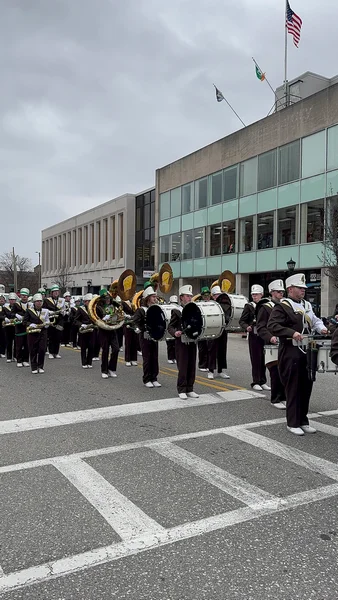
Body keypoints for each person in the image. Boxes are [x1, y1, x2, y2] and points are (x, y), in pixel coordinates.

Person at [268, 273, 328, 436]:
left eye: (304, 288)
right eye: (300, 288)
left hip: (307, 351)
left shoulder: (306, 305)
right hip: (290, 352)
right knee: (293, 387)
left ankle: (303, 420)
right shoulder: (283, 306)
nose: (303, 290)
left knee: (306, 386)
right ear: (290, 289)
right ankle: (292, 422)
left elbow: (314, 320)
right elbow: (272, 325)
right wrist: (291, 332)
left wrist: (321, 328)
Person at [256, 280, 286, 409]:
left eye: (282, 292)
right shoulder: (265, 307)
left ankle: (284, 396)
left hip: (285, 342)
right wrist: (270, 337)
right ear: (272, 293)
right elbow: (261, 327)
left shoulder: (286, 305)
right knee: (275, 371)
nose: (281, 294)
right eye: (278, 292)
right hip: (272, 343)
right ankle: (275, 398)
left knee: (285, 371)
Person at [168, 284, 199, 400]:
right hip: (181, 341)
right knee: (183, 365)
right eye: (187, 296)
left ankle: (190, 388)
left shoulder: (194, 309)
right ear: (181, 297)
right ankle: (181, 389)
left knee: (191, 365)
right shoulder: (176, 311)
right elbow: (170, 327)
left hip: (192, 340)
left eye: (190, 296)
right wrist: (175, 332)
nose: (189, 298)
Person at [239, 284, 270, 391]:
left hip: (265, 335)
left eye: (256, 294)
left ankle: (263, 381)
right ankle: (256, 381)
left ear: (261, 295)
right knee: (256, 358)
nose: (254, 296)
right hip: (254, 335)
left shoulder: (266, 305)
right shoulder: (249, 306)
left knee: (264, 359)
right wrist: (246, 327)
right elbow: (242, 320)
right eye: (253, 295)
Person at [132, 286, 161, 388]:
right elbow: (134, 321)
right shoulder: (141, 310)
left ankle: (154, 378)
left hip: (155, 335)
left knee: (155, 357)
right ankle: (147, 379)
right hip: (144, 336)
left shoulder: (157, 308)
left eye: (155, 296)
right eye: (153, 297)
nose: (155, 298)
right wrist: (138, 328)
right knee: (147, 358)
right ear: (147, 298)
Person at [22, 293, 50, 374]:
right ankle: (34, 367)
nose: (39, 303)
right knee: (33, 350)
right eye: (37, 301)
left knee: (42, 349)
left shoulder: (45, 311)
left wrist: (47, 323)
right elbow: (24, 322)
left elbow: (47, 320)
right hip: (32, 333)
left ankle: (40, 366)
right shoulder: (29, 311)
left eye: (40, 301)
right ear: (34, 302)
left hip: (43, 332)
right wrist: (30, 324)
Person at [96, 289, 120, 379]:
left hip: (112, 330)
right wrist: (103, 319)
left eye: (109, 298)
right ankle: (104, 370)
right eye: (106, 298)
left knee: (116, 349)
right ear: (102, 299)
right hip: (103, 331)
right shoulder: (98, 307)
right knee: (105, 350)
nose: (108, 300)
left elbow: (117, 315)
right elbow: (96, 319)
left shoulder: (113, 306)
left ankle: (111, 369)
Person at [207, 286, 230, 380]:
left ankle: (221, 370)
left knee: (222, 350)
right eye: (216, 295)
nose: (218, 296)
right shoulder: (210, 304)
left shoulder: (225, 304)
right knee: (212, 350)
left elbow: (228, 315)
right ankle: (211, 370)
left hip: (223, 330)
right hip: (213, 329)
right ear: (213, 296)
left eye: (219, 294)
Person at [43, 284, 65, 359]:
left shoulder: (62, 300)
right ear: (51, 293)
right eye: (54, 291)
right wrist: (49, 312)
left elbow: (64, 309)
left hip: (59, 320)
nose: (56, 293)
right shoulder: (47, 300)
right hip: (51, 320)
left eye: (57, 291)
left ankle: (56, 352)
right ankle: (51, 352)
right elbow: (44, 310)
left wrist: (63, 312)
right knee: (51, 337)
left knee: (58, 337)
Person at [74, 293, 95, 369]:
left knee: (91, 346)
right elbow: (76, 320)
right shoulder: (80, 309)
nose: (90, 302)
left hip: (92, 329)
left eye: (91, 301)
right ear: (85, 302)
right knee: (84, 347)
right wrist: (81, 324)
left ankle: (89, 362)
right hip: (83, 330)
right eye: (88, 301)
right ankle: (84, 362)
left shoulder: (94, 309)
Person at [11, 287, 30, 367]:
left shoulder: (30, 305)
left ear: (28, 296)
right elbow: (11, 314)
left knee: (27, 345)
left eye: (25, 296)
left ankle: (25, 360)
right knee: (19, 345)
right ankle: (19, 360)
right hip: (19, 328)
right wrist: (16, 315)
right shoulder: (16, 305)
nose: (24, 297)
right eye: (22, 295)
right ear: (20, 296)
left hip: (28, 327)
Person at [197, 287, 211, 371]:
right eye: (205, 295)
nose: (206, 297)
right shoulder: (199, 304)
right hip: (201, 328)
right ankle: (202, 365)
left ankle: (209, 364)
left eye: (208, 295)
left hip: (209, 328)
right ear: (202, 296)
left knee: (209, 347)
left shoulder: (212, 303)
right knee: (202, 347)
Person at [2, 293, 17, 362]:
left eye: (13, 300)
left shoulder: (18, 307)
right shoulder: (5, 308)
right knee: (9, 342)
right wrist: (5, 318)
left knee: (17, 342)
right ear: (9, 300)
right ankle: (9, 357)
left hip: (16, 327)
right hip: (8, 327)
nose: (12, 301)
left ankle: (15, 356)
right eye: (11, 300)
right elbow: (1, 315)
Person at [166, 295, 178, 364]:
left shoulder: (178, 309)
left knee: (174, 345)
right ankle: (170, 358)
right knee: (170, 345)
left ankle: (174, 357)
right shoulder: (167, 308)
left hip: (174, 329)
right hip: (169, 328)